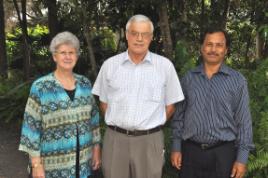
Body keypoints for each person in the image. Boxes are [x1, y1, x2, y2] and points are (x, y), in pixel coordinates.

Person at [92, 14, 184, 178]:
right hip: (115, 140)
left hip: (150, 141)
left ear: (151, 37)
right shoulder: (110, 65)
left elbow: (171, 105)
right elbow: (103, 102)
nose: (139, 39)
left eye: (145, 34)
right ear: (127, 35)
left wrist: (154, 122)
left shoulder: (165, 66)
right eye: (134, 33)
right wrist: (120, 124)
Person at [171, 27, 254, 178]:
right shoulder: (188, 78)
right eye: (209, 44)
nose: (213, 49)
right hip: (190, 153)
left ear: (226, 50)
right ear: (201, 48)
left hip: (223, 154)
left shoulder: (237, 81)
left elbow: (244, 122)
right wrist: (176, 147)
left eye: (219, 45)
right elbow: (178, 116)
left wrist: (241, 159)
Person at [19, 31, 101, 178]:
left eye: (72, 52)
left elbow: (93, 121)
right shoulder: (41, 87)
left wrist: (96, 149)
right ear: (54, 56)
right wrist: (36, 165)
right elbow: (31, 128)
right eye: (63, 52)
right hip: (52, 167)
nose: (68, 56)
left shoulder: (85, 84)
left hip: (83, 163)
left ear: (76, 56)